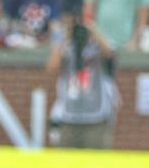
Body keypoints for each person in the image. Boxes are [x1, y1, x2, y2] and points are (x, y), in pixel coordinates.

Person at [46, 19, 119, 148]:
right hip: (69, 118)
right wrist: (66, 37)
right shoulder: (67, 49)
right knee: (66, 164)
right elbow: (51, 68)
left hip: (96, 119)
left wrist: (92, 29)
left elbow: (110, 53)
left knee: (96, 164)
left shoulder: (98, 49)